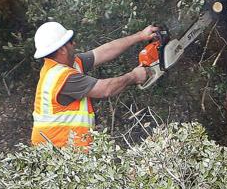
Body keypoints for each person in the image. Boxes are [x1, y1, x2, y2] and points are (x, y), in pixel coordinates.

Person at [31, 21, 159, 147]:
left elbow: (105, 51)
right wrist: (134, 76)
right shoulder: (63, 77)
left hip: (67, 150)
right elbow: (105, 89)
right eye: (70, 41)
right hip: (58, 152)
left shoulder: (66, 65)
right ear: (62, 50)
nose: (74, 44)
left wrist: (140, 35)